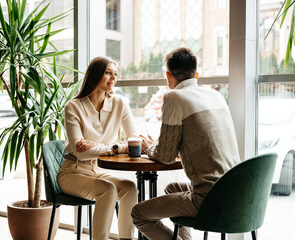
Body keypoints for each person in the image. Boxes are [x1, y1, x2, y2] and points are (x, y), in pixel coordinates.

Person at [131, 48, 241, 240]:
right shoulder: (216, 96)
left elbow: (165, 157)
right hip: (236, 193)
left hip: (207, 199)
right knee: (173, 188)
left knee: (138, 214)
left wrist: (148, 147)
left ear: (168, 76)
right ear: (195, 74)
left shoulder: (174, 97)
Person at [57, 57, 138, 240]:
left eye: (115, 74)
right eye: (108, 73)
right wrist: (117, 148)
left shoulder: (120, 103)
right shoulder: (73, 107)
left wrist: (104, 148)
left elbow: (134, 140)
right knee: (108, 190)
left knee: (130, 188)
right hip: (73, 172)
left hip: (100, 171)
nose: (113, 78)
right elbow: (81, 152)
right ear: (95, 75)